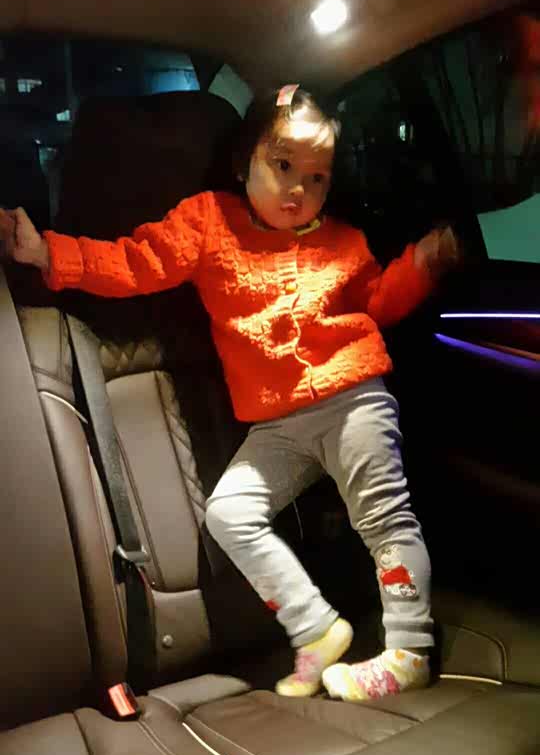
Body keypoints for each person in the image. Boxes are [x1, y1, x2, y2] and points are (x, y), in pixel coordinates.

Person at [0, 85, 459, 704]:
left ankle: (410, 649)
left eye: (317, 178)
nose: (298, 190)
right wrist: (48, 253)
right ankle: (315, 627)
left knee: (383, 519)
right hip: (278, 424)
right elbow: (136, 262)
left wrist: (419, 268)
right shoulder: (209, 221)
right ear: (244, 164)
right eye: (283, 166)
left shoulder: (344, 240)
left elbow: (376, 303)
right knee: (229, 513)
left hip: (353, 397)